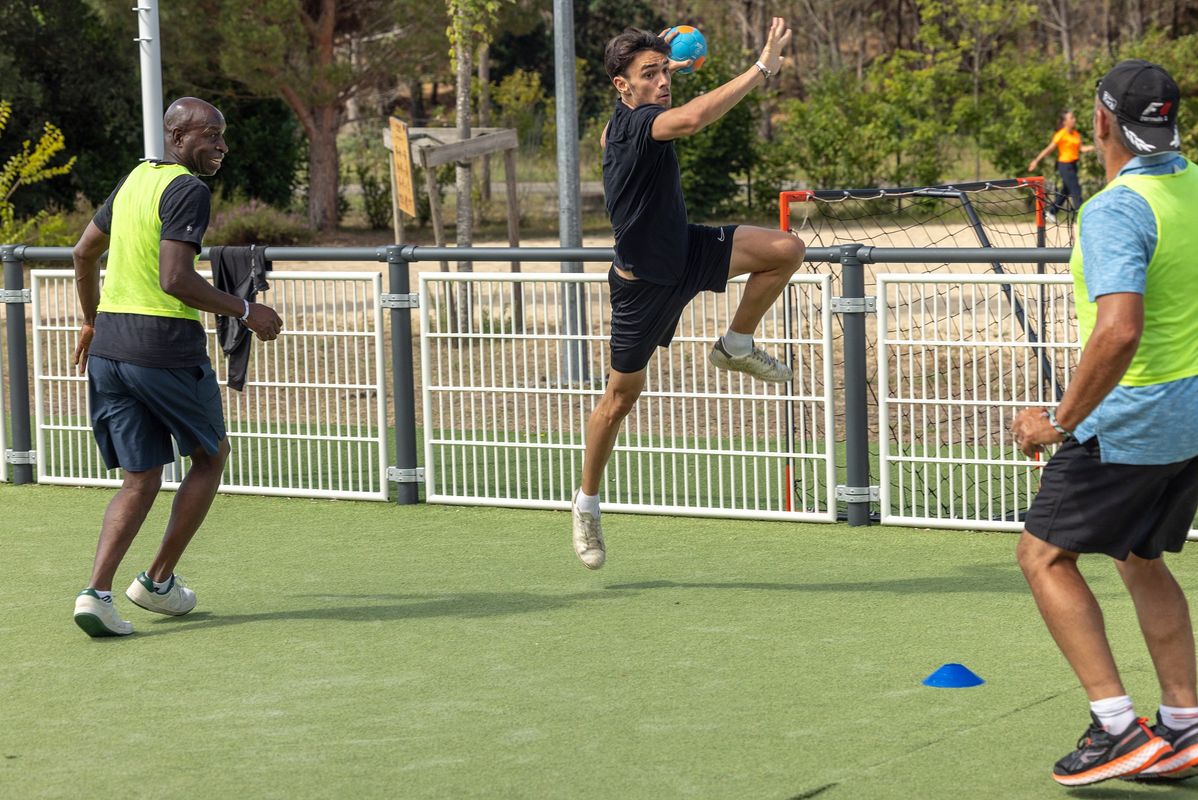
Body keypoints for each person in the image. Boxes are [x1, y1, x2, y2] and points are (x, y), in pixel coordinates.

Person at [1012, 60, 1198, 786]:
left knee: (1042, 557)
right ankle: (1183, 726)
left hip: (1134, 419)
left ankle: (1117, 728)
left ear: (1099, 122)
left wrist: (1058, 423)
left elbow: (1119, 331)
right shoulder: (1193, 185)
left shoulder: (1116, 209)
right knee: (1140, 558)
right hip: (1190, 417)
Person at [571, 19, 804, 570]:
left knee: (786, 249)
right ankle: (586, 504)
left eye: (664, 73)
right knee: (619, 401)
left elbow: (638, 108)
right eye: (649, 75)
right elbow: (695, 118)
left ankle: (736, 344)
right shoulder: (635, 125)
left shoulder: (624, 119)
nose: (662, 82)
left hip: (687, 251)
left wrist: (662, 64)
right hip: (642, 289)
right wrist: (762, 68)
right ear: (622, 86)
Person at [70, 97, 283, 637]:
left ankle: (96, 595)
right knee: (211, 456)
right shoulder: (188, 189)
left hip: (110, 351)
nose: (221, 145)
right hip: (163, 349)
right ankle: (157, 581)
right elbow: (175, 279)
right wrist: (246, 310)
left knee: (140, 478)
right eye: (211, 134)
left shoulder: (134, 180)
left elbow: (83, 253)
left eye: (223, 135)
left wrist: (92, 322)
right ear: (178, 136)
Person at [1028, 109, 1094, 221]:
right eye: (1071, 118)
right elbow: (1049, 149)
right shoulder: (1061, 134)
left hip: (1073, 165)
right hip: (1064, 165)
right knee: (1075, 189)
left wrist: (1096, 147)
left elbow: (1082, 148)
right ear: (1064, 122)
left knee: (1066, 191)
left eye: (1074, 117)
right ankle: (1082, 216)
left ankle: (1051, 212)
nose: (1074, 120)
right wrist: (1036, 161)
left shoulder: (1076, 134)